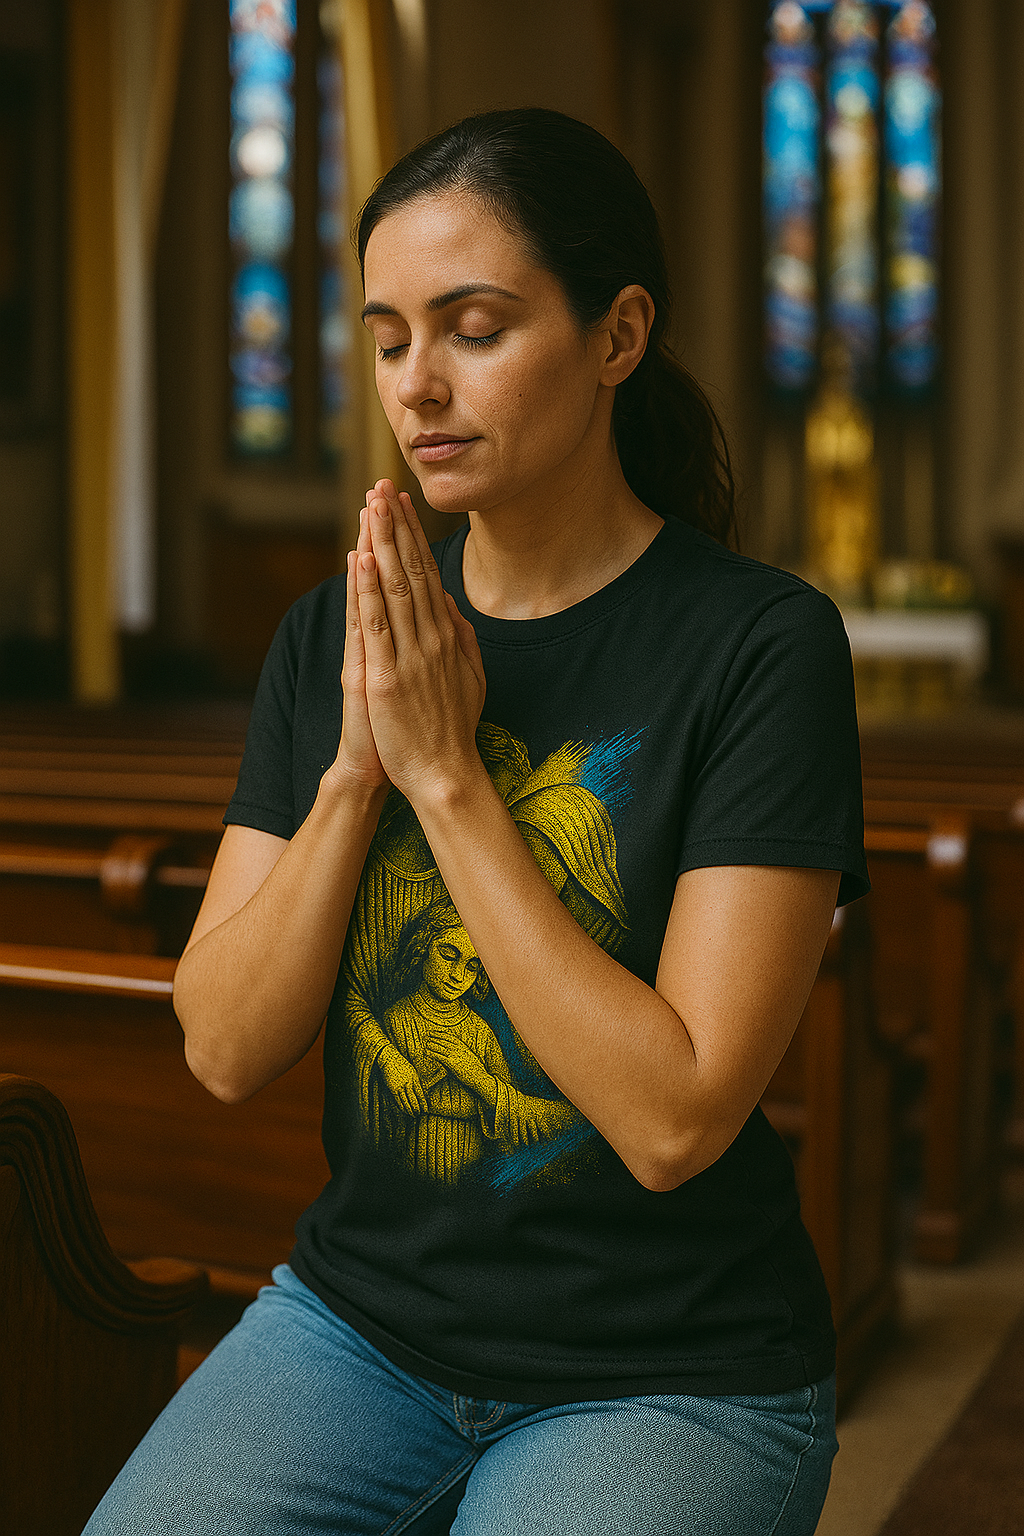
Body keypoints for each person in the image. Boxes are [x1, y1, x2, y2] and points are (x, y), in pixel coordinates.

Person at [84, 107, 868, 1535]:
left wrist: (451, 779)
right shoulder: (342, 632)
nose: (419, 386)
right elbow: (223, 1044)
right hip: (357, 1329)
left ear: (619, 336)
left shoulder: (763, 648)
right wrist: (358, 771)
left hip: (670, 1368)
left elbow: (677, 1121)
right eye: (389, 339)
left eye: (476, 327)